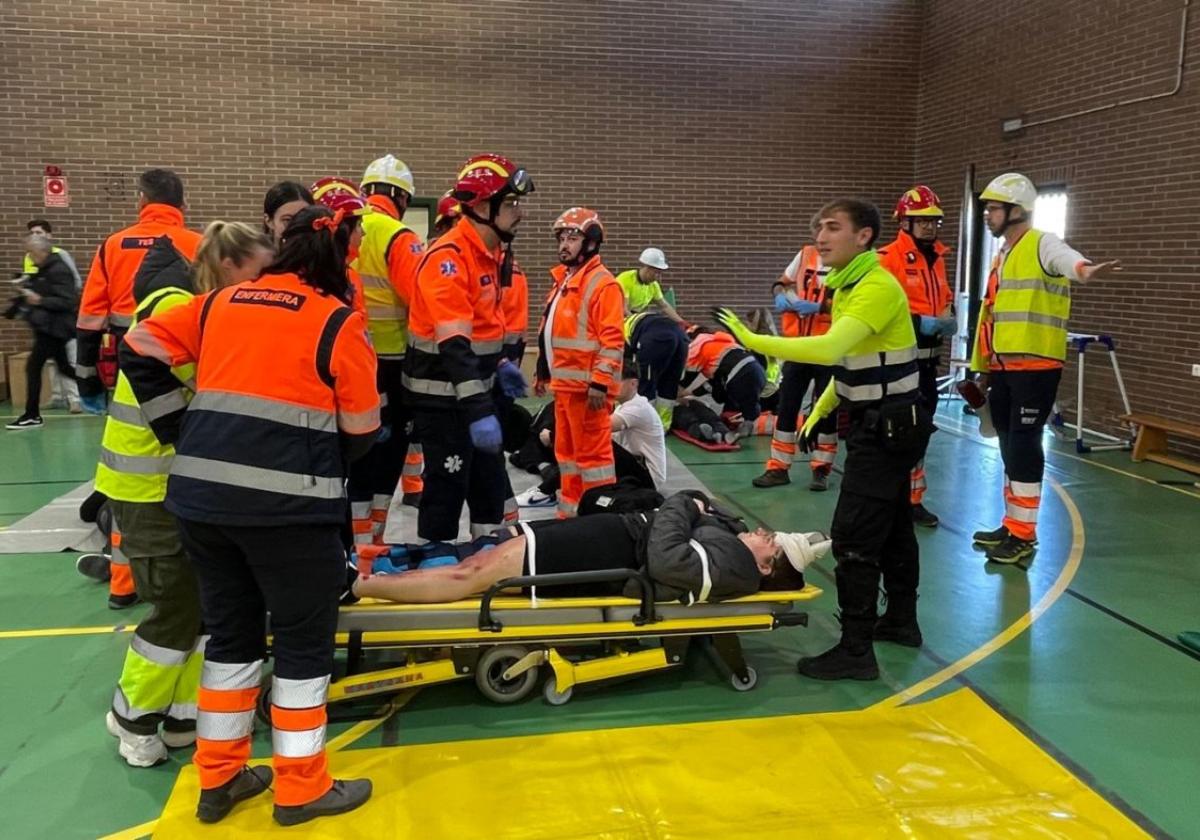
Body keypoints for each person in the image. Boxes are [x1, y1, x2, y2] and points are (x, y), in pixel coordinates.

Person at [120, 204, 378, 826]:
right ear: (340, 257)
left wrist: (181, 428)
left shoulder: (219, 304)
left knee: (231, 642)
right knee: (300, 648)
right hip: (290, 516)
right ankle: (301, 788)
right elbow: (363, 428)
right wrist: (316, 459)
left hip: (204, 507)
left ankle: (221, 778)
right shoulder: (336, 323)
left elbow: (137, 346)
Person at [716, 198, 931, 681]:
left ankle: (856, 651)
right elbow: (853, 362)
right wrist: (822, 410)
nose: (821, 236)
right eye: (818, 227)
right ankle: (900, 621)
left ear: (864, 237)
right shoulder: (850, 285)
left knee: (854, 535)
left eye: (833, 227)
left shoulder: (874, 286)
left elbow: (830, 348)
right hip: (883, 423)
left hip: (888, 429)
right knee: (894, 526)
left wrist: (755, 342)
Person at [99, 221, 273, 767]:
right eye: (258, 272)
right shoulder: (180, 308)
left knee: (203, 605)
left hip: (179, 485)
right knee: (175, 607)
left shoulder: (203, 304)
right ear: (228, 266)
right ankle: (132, 715)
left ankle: (182, 715)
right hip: (148, 486)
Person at [970, 173, 1120, 564]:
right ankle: (1012, 523)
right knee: (1006, 443)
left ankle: (1023, 535)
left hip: (1036, 367)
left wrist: (1084, 270)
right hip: (1003, 366)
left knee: (1023, 444)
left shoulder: (1042, 242)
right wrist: (984, 369)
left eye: (993, 208)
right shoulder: (1003, 254)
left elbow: (1066, 259)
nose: (987, 214)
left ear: (1016, 210)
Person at [352, 491, 824, 605]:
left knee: (472, 575)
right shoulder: (737, 544)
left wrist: (683, 506)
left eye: (771, 542)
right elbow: (703, 519)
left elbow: (667, 558)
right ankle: (370, 568)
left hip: (606, 554)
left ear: (767, 567)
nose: (763, 533)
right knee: (476, 553)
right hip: (607, 536)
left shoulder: (737, 569)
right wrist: (698, 513)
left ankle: (359, 585)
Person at [405, 153, 534, 543]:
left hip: (475, 392)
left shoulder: (488, 255)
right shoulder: (449, 259)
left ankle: (487, 557)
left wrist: (500, 366)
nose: (519, 213)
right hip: (443, 400)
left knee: (489, 489)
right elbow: (455, 346)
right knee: (446, 489)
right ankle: (437, 561)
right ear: (480, 206)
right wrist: (480, 410)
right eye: (510, 204)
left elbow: (483, 331)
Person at [76, 168, 202, 410]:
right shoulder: (200, 245)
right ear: (183, 204)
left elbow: (90, 319)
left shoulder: (113, 245)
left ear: (142, 199)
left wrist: (87, 380)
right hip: (182, 350)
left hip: (128, 350)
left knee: (131, 420)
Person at [354, 155, 427, 536]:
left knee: (355, 450)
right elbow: (422, 299)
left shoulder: (345, 225)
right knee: (387, 453)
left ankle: (351, 537)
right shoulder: (399, 237)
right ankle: (373, 537)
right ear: (401, 197)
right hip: (393, 362)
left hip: (348, 359)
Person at [535, 208, 625, 519]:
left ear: (591, 243)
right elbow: (553, 331)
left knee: (594, 461)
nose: (564, 244)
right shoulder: (564, 281)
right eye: (561, 237)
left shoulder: (603, 284)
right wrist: (543, 372)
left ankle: (599, 519)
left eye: (572, 237)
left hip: (588, 392)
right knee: (567, 456)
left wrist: (600, 381)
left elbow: (612, 339)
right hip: (566, 388)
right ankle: (570, 514)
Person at [878, 185, 955, 527]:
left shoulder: (937, 259)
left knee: (921, 434)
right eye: (921, 221)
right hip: (898, 364)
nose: (929, 227)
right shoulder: (886, 259)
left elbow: (945, 295)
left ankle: (912, 500)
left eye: (934, 221)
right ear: (904, 222)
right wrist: (918, 322)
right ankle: (888, 499)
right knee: (896, 434)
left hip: (928, 363)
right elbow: (881, 311)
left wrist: (949, 314)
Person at [754, 241, 838, 491]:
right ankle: (778, 468)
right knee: (787, 405)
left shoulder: (850, 262)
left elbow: (854, 304)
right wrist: (780, 294)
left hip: (828, 348)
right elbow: (781, 282)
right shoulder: (805, 255)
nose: (824, 237)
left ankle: (821, 469)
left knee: (826, 411)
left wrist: (819, 307)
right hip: (798, 346)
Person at [6, 234, 79, 429]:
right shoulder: (44, 269)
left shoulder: (58, 269)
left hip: (54, 328)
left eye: (31, 252)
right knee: (65, 368)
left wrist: (39, 300)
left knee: (33, 367)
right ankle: (99, 388)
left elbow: (68, 301)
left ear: (42, 251)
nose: (29, 256)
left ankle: (32, 414)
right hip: (47, 327)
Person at [25, 219, 83, 412]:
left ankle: (76, 398)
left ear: (48, 236)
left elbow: (70, 289)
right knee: (61, 365)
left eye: (38, 232)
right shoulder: (33, 259)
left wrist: (40, 300)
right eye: (32, 232)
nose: (35, 235)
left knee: (52, 364)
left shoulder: (60, 258)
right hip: (45, 323)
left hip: (59, 323)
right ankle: (59, 397)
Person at [680, 327, 767, 424]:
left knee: (743, 413)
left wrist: (679, 394)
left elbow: (687, 381)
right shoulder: (722, 343)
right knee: (746, 407)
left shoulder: (696, 348)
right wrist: (692, 393)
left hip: (739, 378)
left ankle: (742, 424)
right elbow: (711, 381)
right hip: (759, 373)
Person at [624, 308, 688, 427]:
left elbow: (626, 368)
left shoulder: (620, 329)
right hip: (681, 337)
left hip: (656, 337)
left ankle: (646, 424)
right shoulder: (643, 319)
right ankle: (663, 425)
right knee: (670, 382)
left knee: (646, 381)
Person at [611, 362, 668, 490]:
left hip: (648, 476)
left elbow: (604, 427)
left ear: (633, 383)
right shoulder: (622, 406)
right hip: (637, 467)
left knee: (600, 442)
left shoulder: (637, 408)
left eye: (616, 381)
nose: (610, 385)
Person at [615, 248, 685, 324]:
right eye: (656, 273)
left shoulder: (653, 285)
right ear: (647, 268)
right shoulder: (626, 279)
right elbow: (624, 310)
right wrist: (638, 325)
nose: (658, 277)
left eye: (660, 273)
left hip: (631, 318)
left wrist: (681, 322)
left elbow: (664, 306)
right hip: (616, 318)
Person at [262, 181, 314, 246]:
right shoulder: (256, 255)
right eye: (287, 220)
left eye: (303, 218)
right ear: (269, 221)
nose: (297, 227)